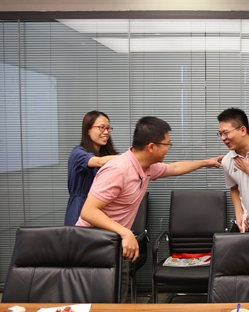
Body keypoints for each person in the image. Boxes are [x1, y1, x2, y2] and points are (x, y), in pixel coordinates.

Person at [77, 116, 223, 301]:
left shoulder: (146, 168)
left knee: (117, 301)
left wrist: (206, 162)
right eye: (167, 144)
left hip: (114, 244)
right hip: (92, 245)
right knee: (97, 305)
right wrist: (125, 232)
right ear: (151, 147)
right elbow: (88, 211)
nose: (169, 148)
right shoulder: (118, 170)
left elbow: (175, 168)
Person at [65, 110, 119, 226]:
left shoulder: (107, 155)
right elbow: (99, 162)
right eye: (101, 128)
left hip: (102, 211)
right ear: (88, 130)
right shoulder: (77, 153)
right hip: (80, 209)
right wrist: (131, 157)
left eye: (108, 128)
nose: (106, 132)